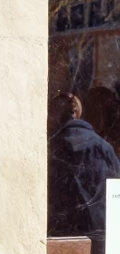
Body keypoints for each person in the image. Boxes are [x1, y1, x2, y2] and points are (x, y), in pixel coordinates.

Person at [48, 91, 120, 235]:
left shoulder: (50, 148)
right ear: (79, 113)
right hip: (100, 236)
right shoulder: (104, 148)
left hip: (61, 238)